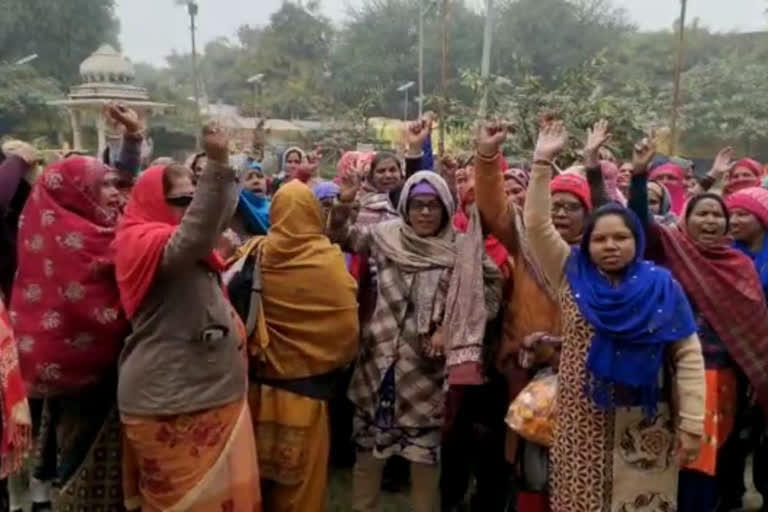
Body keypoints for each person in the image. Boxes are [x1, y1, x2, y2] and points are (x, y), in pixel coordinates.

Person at [526, 121, 706, 512]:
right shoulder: (570, 271)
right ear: (587, 243)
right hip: (580, 418)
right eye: (600, 238)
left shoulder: (662, 285)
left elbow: (687, 355)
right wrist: (542, 162)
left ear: (636, 241)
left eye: (620, 238)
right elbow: (537, 225)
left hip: (646, 419)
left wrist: (692, 423)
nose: (610, 246)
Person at [329, 165, 503, 512]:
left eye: (433, 205)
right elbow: (342, 236)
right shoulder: (385, 236)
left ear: (445, 207)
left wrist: (451, 328)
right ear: (405, 206)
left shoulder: (463, 248)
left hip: (428, 373)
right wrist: (344, 203)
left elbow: (492, 292)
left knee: (424, 467)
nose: (425, 212)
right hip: (377, 368)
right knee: (368, 459)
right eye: (417, 204)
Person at [113, 123, 260, 511]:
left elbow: (209, 223)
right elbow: (197, 232)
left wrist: (223, 169)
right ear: (150, 201)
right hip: (169, 401)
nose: (191, 207)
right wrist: (216, 163)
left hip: (211, 394)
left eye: (195, 197)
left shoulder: (187, 247)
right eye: (182, 200)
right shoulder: (142, 244)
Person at [628, 139, 768, 512]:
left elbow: (754, 330)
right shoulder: (671, 251)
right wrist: (639, 176)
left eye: (717, 216)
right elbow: (639, 225)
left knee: (707, 466)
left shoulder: (739, 266)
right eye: (701, 214)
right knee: (669, 461)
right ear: (684, 221)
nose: (710, 221)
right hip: (670, 375)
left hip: (723, 378)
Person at [230, 180, 359, 512]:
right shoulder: (328, 260)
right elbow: (347, 332)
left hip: (254, 394)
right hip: (306, 395)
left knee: (252, 483)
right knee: (299, 491)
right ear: (314, 214)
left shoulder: (254, 251)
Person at [10, 155, 129, 511]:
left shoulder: (105, 226)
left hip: (81, 366)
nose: (114, 192)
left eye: (113, 183)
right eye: (103, 185)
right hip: (82, 366)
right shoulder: (79, 236)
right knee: (81, 457)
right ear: (80, 192)